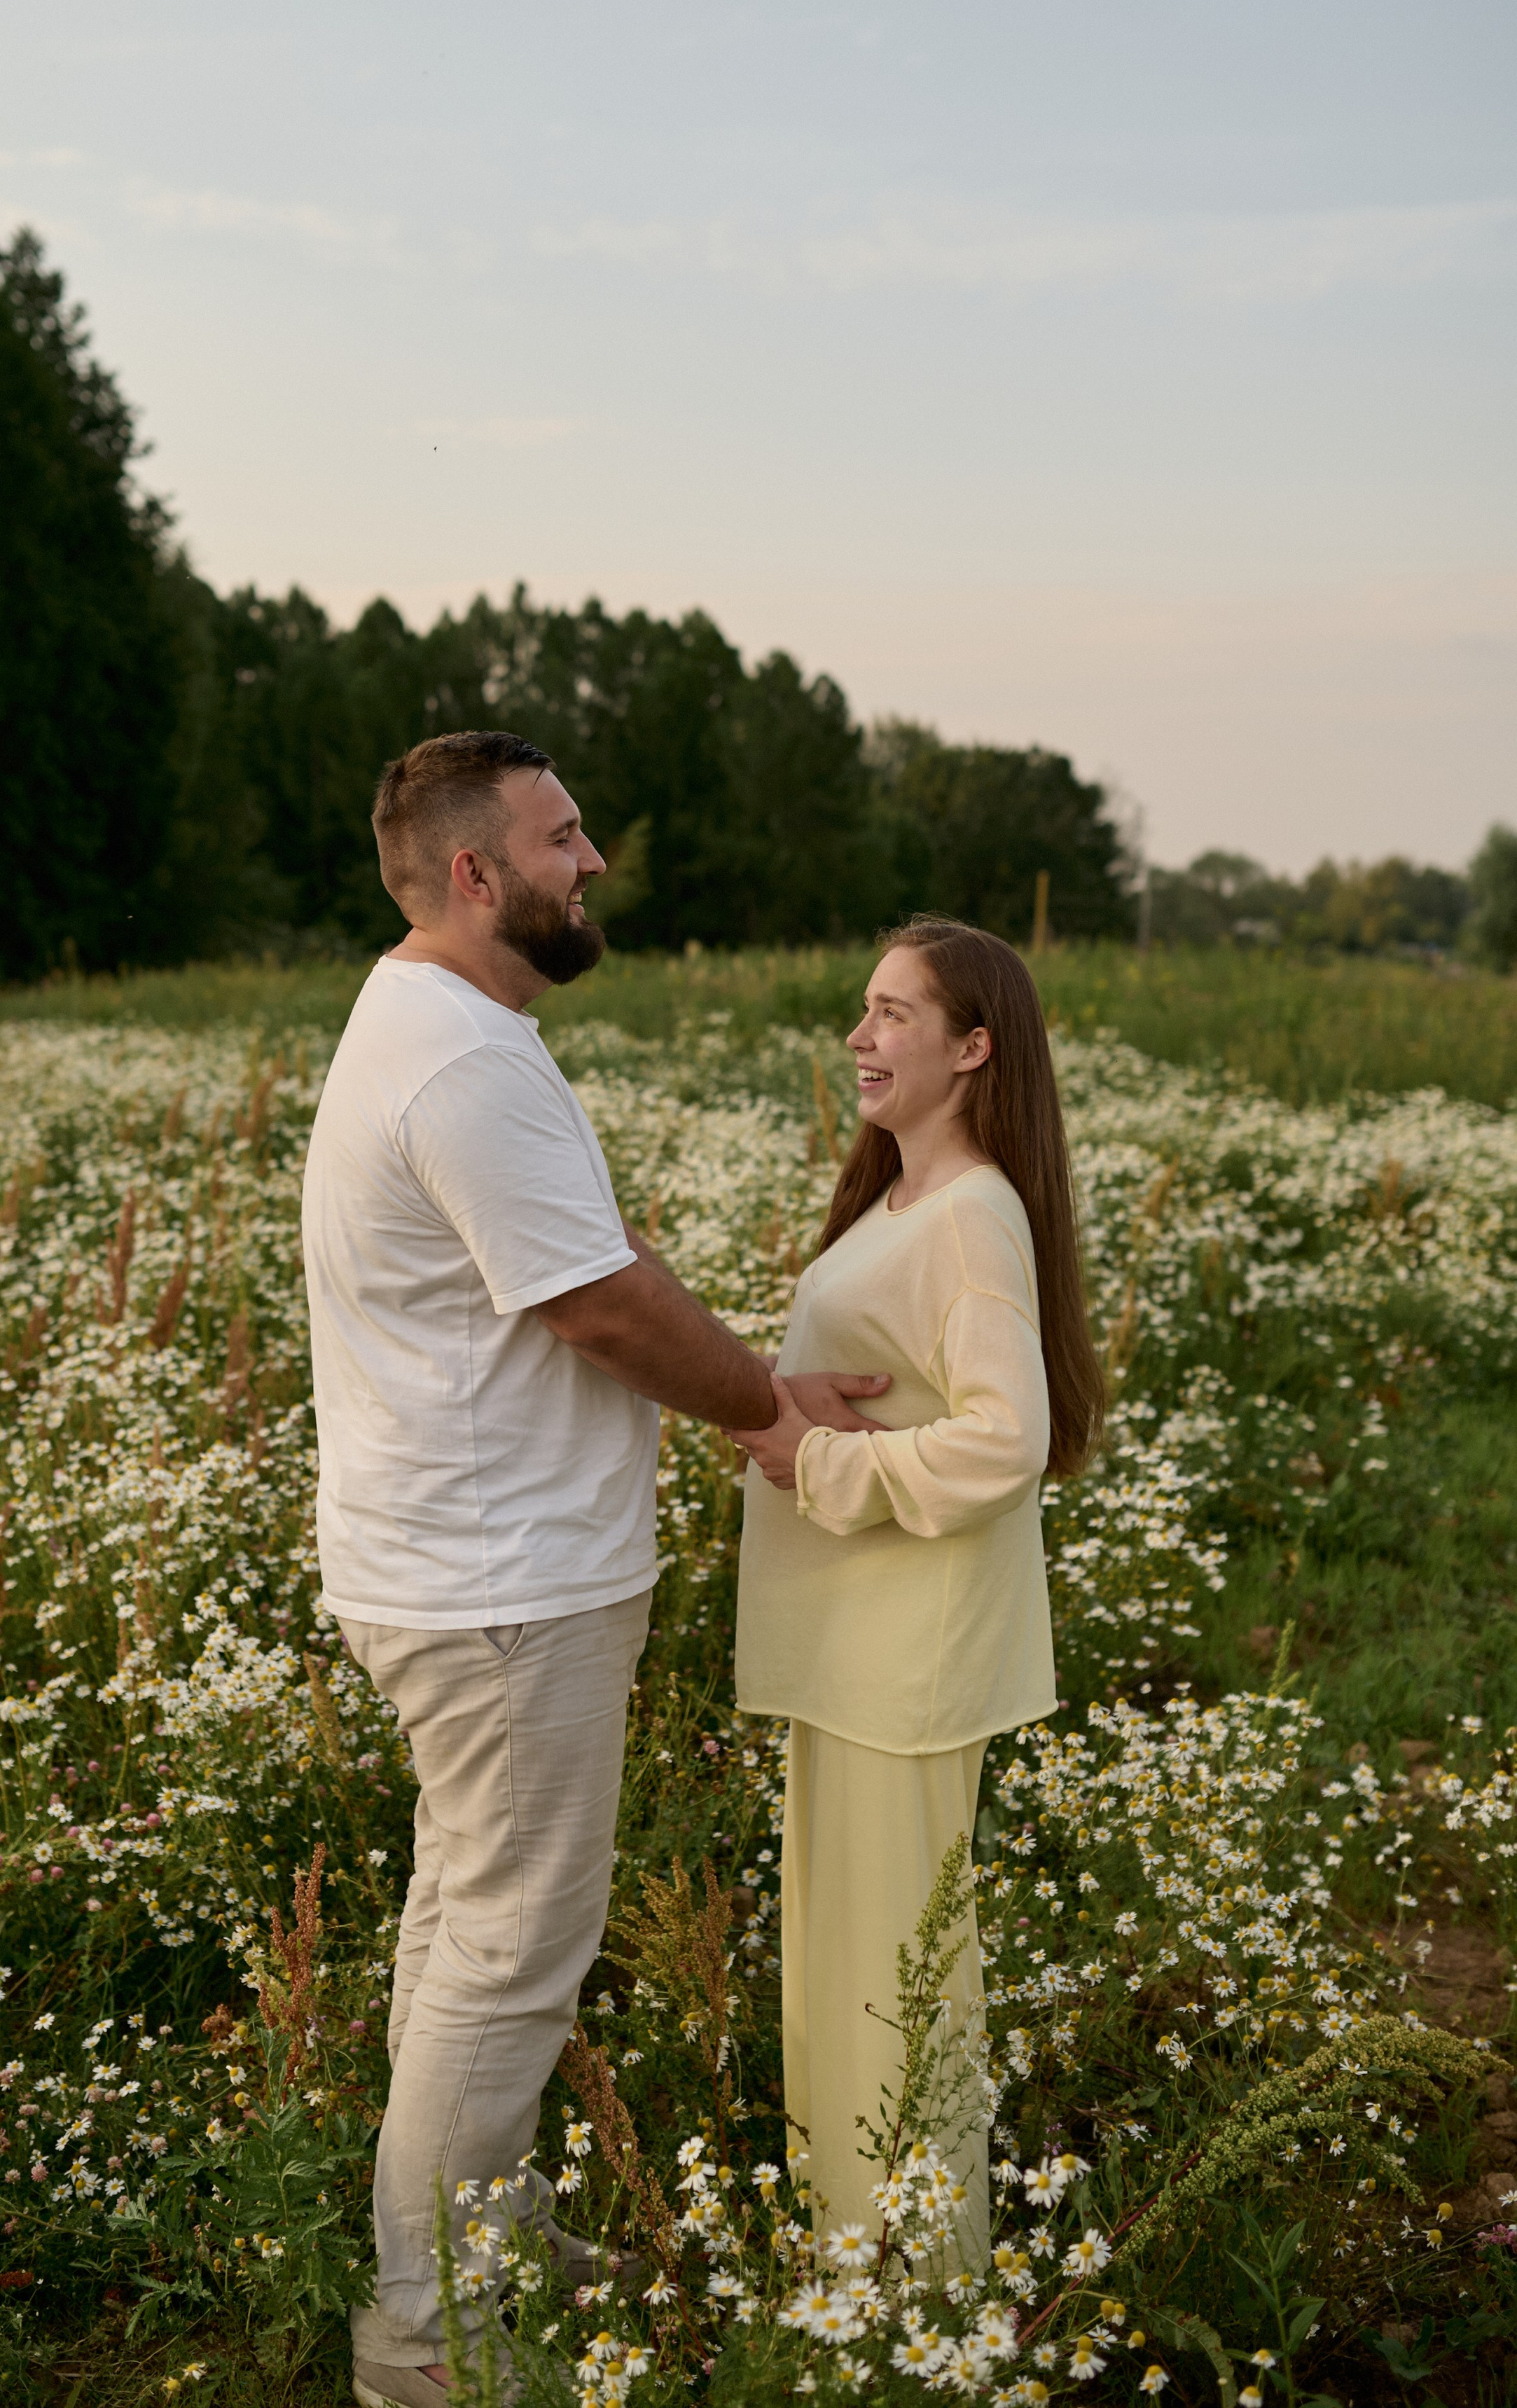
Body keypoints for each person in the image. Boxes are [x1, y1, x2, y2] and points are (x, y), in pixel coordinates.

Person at [303, 730, 890, 2408]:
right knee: (507, 1945)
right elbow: (604, 1306)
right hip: (500, 1584)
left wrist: (753, 1385)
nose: (596, 861)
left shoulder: (432, 1021)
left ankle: (474, 2232)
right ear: (476, 873)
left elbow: (596, 1259)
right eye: (564, 837)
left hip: (455, 1562)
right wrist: (766, 1414)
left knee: (459, 1925)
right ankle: (424, 2339)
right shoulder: (463, 1061)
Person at [730, 917, 1104, 2274]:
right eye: (862, 1008)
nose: (860, 1034)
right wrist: (781, 1416)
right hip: (849, 1649)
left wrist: (821, 1460)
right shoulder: (897, 1205)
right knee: (843, 1972)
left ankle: (913, 2289)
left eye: (892, 1013)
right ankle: (850, 2259)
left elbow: (1004, 1438)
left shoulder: (971, 1215)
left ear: (970, 1046)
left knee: (896, 1987)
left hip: (905, 1659)